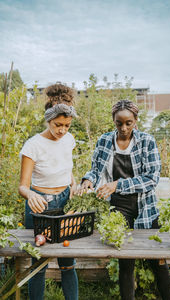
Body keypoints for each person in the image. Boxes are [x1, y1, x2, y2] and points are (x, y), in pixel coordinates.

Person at [79, 99, 170, 300]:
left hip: (145, 207)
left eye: (128, 123)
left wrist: (117, 184)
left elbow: (151, 179)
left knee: (157, 261)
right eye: (119, 123)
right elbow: (96, 170)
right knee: (126, 263)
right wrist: (88, 180)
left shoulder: (147, 141)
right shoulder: (104, 141)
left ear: (136, 120)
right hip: (118, 208)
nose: (123, 128)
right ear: (113, 121)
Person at [19, 85, 78, 300]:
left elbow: (67, 166)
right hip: (40, 206)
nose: (62, 130)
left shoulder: (69, 139)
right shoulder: (33, 145)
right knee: (39, 263)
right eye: (57, 125)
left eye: (67, 125)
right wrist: (31, 195)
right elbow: (22, 186)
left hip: (63, 203)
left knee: (68, 262)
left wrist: (72, 184)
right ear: (48, 120)